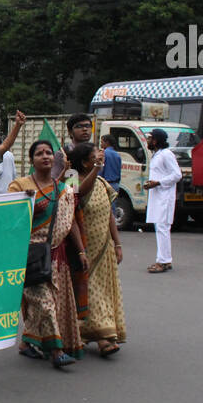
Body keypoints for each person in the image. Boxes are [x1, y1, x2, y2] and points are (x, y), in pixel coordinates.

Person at [9, 140, 88, 368]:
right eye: (39, 153)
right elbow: (8, 219)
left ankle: (27, 344)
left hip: (56, 255)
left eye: (48, 153)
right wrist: (29, 207)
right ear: (31, 160)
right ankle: (56, 351)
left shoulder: (63, 188)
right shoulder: (20, 187)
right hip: (30, 254)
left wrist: (81, 250)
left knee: (44, 303)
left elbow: (71, 217)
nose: (45, 156)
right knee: (45, 302)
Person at [72, 142, 126, 357]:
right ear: (85, 161)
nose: (101, 157)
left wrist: (117, 243)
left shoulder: (103, 183)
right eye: (95, 155)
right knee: (89, 290)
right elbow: (78, 197)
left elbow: (110, 216)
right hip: (83, 248)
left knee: (102, 291)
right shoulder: (71, 178)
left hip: (104, 248)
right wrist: (95, 169)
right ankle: (103, 337)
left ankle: (93, 333)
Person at [144, 128, 180, 273]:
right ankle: (165, 259)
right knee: (160, 228)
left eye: (150, 138)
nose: (148, 141)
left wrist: (158, 183)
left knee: (163, 228)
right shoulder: (157, 155)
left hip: (164, 197)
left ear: (156, 140)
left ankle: (163, 261)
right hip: (158, 196)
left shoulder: (166, 154)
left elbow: (177, 175)